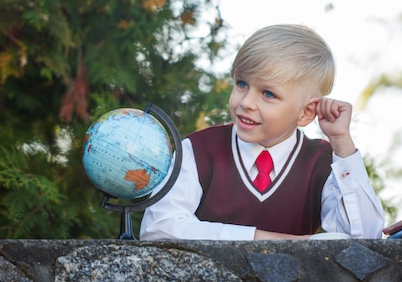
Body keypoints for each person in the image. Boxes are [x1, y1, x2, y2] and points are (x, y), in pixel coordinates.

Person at [140, 24, 384, 240]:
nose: (246, 102)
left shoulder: (322, 162)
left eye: (268, 94)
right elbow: (158, 228)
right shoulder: (199, 149)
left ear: (306, 113)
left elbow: (363, 238)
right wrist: (262, 239)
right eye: (242, 84)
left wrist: (342, 143)